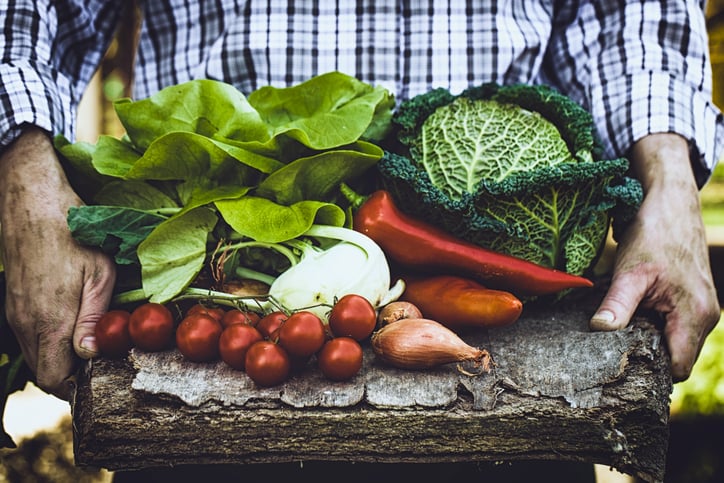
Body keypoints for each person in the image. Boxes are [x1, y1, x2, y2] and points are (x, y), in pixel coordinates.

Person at [1, 0, 721, 408]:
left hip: (517, 372)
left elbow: (629, 13)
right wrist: (25, 179)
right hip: (214, 332)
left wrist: (669, 181)